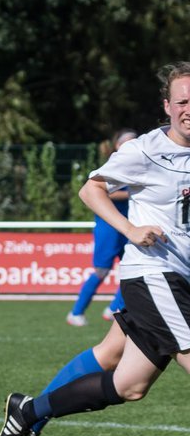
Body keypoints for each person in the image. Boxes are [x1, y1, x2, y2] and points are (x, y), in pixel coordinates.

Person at [0, 62, 190, 436]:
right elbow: (92, 188)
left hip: (182, 279)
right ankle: (30, 418)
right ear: (167, 106)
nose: (189, 108)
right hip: (155, 276)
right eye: (182, 101)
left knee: (128, 383)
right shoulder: (145, 150)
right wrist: (130, 228)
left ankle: (29, 413)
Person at [66, 129, 139, 326]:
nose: (133, 144)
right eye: (128, 141)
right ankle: (76, 312)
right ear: (117, 146)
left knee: (134, 269)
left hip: (129, 225)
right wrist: (132, 193)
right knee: (101, 270)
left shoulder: (140, 164)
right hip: (109, 227)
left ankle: (115, 307)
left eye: (136, 140)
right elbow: (97, 191)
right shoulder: (114, 165)